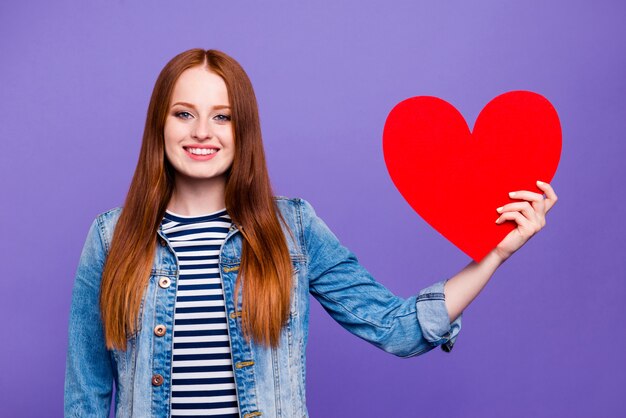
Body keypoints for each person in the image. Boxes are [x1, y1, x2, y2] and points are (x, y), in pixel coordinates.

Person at [64, 48, 558, 418]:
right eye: (184, 113)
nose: (202, 132)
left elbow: (398, 329)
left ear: (244, 130)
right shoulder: (111, 237)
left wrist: (493, 255)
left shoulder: (294, 229)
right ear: (160, 124)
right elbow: (86, 392)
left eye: (223, 116)